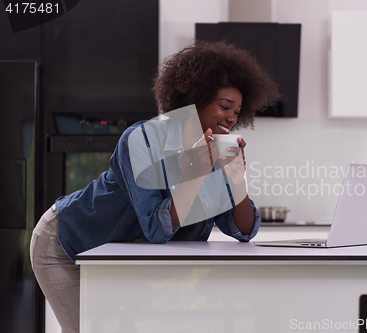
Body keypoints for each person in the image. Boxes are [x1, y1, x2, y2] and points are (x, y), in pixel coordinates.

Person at [30, 40, 280, 333]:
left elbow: (243, 231)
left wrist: (237, 182)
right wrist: (196, 171)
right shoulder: (142, 141)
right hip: (66, 242)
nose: (231, 118)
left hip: (113, 258)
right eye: (224, 106)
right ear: (194, 100)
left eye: (237, 112)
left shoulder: (215, 155)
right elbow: (157, 229)